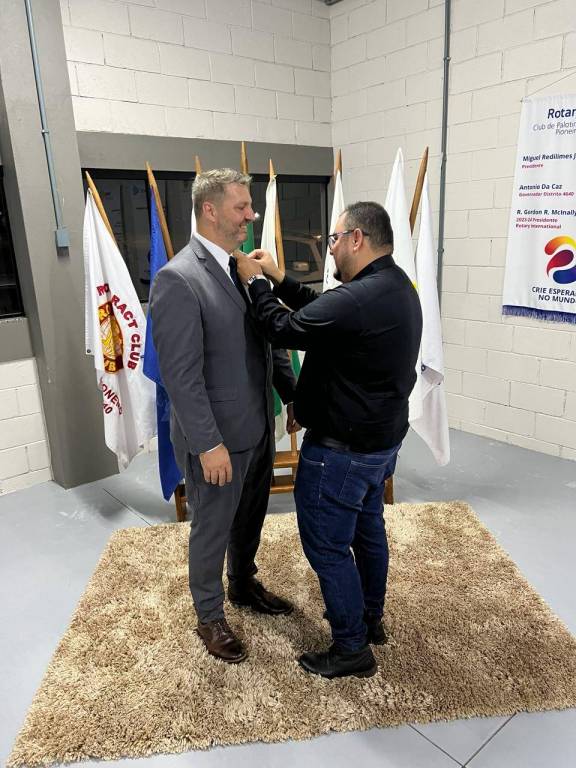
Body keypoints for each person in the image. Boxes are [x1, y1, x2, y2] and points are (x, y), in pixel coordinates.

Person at [236, 201, 423, 679]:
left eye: (335, 239)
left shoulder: (361, 297)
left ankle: (351, 647)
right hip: (379, 445)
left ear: (357, 238)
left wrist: (257, 284)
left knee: (327, 547)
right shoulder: (396, 285)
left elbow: (281, 327)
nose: (331, 248)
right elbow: (323, 312)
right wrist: (279, 277)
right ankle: (370, 619)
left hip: (342, 452)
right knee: (368, 530)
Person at [150, 169, 297, 665]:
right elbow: (181, 376)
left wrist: (289, 395)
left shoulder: (245, 268)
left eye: (251, 206)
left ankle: (243, 583)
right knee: (212, 526)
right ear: (209, 210)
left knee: (251, 514)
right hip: (216, 438)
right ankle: (209, 615)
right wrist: (208, 444)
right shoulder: (178, 279)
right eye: (242, 207)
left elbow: (269, 338)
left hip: (257, 424)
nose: (251, 216)